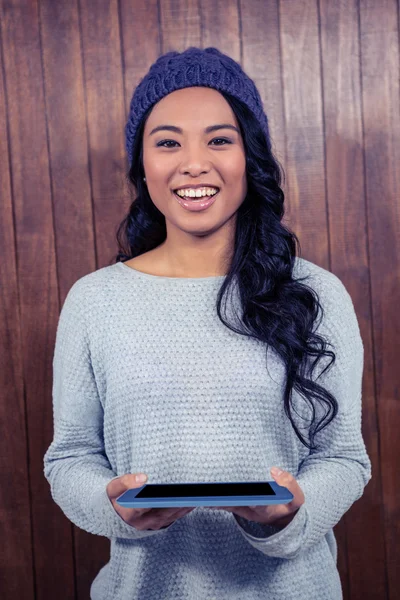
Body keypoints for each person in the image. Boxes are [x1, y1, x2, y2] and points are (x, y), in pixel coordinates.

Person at [43, 47, 372, 600]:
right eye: (168, 142)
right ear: (142, 165)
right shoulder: (94, 301)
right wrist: (113, 507)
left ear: (251, 157)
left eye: (219, 140)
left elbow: (343, 458)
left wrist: (287, 514)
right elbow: (70, 458)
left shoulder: (316, 294)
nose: (194, 163)